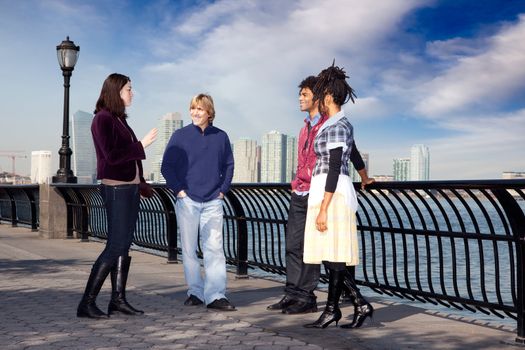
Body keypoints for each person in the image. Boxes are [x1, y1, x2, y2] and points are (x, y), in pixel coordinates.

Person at [267, 76, 374, 315]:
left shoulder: (331, 125)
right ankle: (292, 293)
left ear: (318, 97)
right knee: (293, 246)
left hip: (320, 192)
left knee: (312, 249)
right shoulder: (305, 127)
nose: (300, 99)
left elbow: (351, 153)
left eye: (304, 95)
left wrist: (364, 177)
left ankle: (306, 297)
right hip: (300, 190)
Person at [77, 73, 158, 319]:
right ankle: (86, 303)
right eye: (128, 89)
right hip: (116, 189)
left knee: (123, 245)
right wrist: (141, 144)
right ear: (115, 91)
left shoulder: (119, 120)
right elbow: (111, 156)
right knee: (115, 246)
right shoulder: (102, 119)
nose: (132, 93)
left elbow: (129, 158)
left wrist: (141, 183)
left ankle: (118, 300)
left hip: (129, 188)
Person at [303, 62, 373, 329]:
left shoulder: (338, 126)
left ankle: (345, 306)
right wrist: (365, 177)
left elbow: (334, 166)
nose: (318, 100)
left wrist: (324, 207)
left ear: (329, 97)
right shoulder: (334, 124)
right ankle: (347, 306)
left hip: (331, 195)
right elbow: (354, 154)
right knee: (329, 254)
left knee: (333, 255)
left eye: (320, 95)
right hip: (325, 191)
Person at [161, 93, 236, 311]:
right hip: (188, 201)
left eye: (200, 109)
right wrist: (180, 191)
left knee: (214, 249)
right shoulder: (180, 136)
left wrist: (223, 190)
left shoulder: (221, 136)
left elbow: (229, 165)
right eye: (193, 108)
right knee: (189, 249)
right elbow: (167, 166)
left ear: (209, 112)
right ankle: (195, 292)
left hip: (213, 200)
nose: (195, 112)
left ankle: (215, 295)